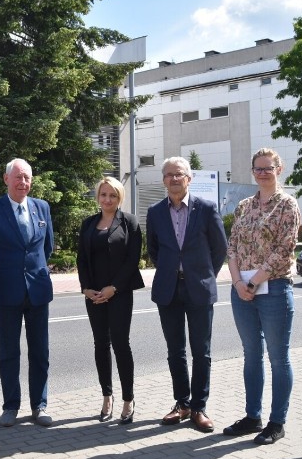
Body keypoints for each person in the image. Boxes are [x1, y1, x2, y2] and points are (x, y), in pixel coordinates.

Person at [224, 148, 301, 445]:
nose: (262, 172)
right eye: (258, 168)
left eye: (268, 168)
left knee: (279, 358)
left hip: (274, 289)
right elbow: (232, 247)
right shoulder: (243, 206)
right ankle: (252, 416)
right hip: (241, 290)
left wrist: (254, 283)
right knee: (251, 355)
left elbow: (284, 250)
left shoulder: (287, 205)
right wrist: (237, 283)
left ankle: (277, 421)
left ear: (279, 169)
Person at [146, 156, 227, 433]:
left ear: (189, 178)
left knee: (201, 352)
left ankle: (199, 407)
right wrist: (173, 271)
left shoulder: (206, 209)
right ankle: (182, 403)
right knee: (175, 351)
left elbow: (220, 249)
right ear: (163, 180)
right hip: (169, 289)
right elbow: (154, 250)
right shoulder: (155, 212)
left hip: (199, 288)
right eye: (169, 175)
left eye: (179, 174)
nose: (174, 179)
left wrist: (203, 275)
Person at [0, 158, 55, 427]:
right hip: (6, 290)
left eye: (27, 178)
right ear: (6, 179)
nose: (23, 183)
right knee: (9, 352)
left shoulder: (42, 207)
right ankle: (10, 405)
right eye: (19, 177)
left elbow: (47, 248)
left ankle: (40, 405)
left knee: (40, 352)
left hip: (38, 291)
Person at [77, 176, 144, 424]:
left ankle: (128, 398)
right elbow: (81, 259)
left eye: (113, 195)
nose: (107, 199)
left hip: (119, 293)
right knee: (100, 345)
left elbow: (132, 260)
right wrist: (86, 289)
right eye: (104, 195)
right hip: (93, 294)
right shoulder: (88, 224)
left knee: (120, 344)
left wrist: (113, 288)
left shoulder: (130, 223)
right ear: (98, 197)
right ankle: (107, 396)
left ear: (119, 198)